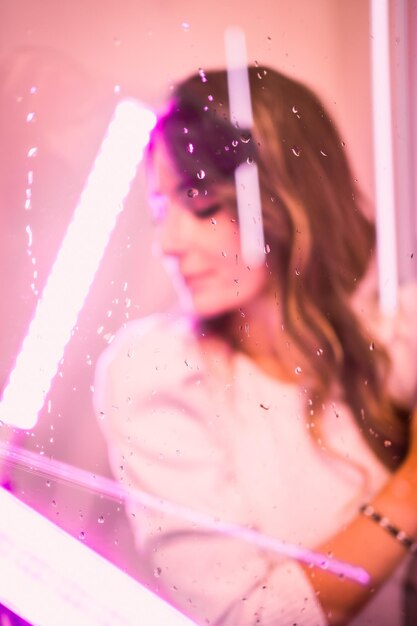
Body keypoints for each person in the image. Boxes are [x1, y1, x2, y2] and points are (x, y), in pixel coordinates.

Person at [94, 66, 417, 625]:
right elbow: (248, 618)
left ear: (287, 194)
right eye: (159, 210)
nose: (168, 244)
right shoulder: (157, 373)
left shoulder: (383, 327)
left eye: (201, 203)